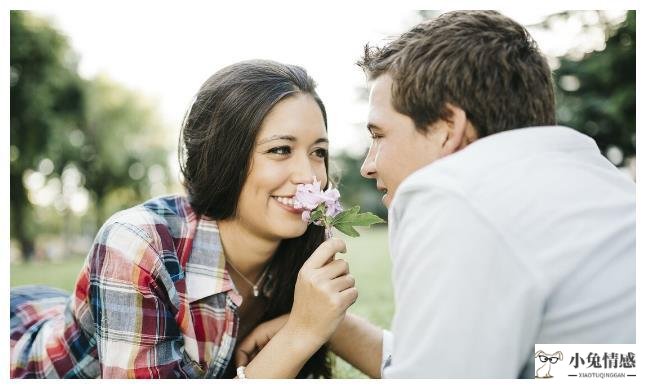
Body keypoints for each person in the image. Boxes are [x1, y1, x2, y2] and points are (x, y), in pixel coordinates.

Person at [236, 11, 636, 378]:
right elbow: (568, 370)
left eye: (379, 135)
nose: (368, 165)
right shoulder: (596, 180)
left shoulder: (455, 195)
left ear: (448, 127)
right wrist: (333, 326)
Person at [10, 59, 358, 378]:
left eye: (318, 153)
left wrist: (327, 322)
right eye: (280, 149)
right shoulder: (137, 242)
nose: (309, 176)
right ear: (224, 157)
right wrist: (300, 334)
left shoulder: (305, 247)